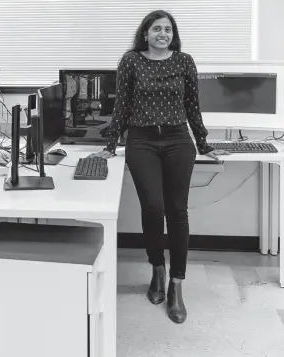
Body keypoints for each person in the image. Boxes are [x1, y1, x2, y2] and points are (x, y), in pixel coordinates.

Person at [90, 10, 230, 324]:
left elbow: (193, 106)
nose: (162, 34)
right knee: (152, 206)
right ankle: (157, 267)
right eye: (156, 29)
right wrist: (110, 144)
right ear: (146, 33)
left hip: (178, 140)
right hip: (141, 141)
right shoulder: (131, 61)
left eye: (167, 29)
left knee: (177, 211)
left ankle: (176, 284)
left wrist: (204, 142)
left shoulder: (184, 61)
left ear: (173, 34)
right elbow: (122, 105)